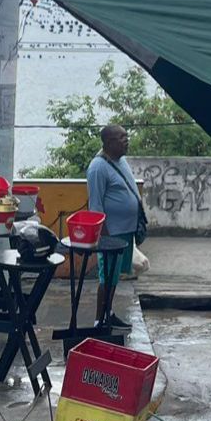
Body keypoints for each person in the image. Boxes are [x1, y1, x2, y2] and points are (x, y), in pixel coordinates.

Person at [84, 124, 141, 328]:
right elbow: (96, 206)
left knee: (115, 277)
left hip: (125, 231)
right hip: (111, 234)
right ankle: (100, 320)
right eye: (121, 137)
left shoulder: (121, 161)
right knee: (106, 277)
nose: (126, 140)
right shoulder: (97, 168)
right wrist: (105, 238)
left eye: (126, 136)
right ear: (109, 142)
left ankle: (109, 313)